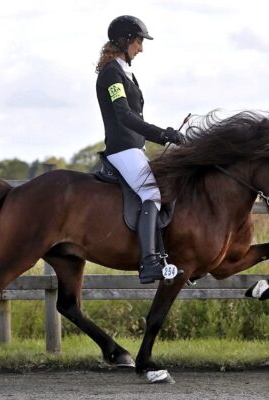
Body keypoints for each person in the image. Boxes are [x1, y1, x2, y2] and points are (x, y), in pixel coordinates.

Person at [95, 15, 184, 284]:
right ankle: (149, 263)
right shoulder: (112, 74)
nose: (141, 48)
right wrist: (162, 134)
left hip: (134, 148)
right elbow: (124, 116)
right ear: (124, 41)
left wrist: (162, 136)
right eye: (138, 42)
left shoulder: (124, 72)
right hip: (123, 149)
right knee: (152, 194)